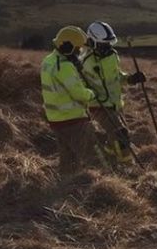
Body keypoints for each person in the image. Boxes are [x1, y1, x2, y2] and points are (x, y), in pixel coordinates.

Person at [80, 21, 145, 166]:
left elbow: (117, 77)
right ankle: (128, 167)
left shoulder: (112, 56)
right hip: (98, 105)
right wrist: (91, 96)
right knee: (120, 134)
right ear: (92, 42)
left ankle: (108, 158)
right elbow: (80, 85)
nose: (107, 48)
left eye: (109, 44)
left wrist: (131, 79)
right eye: (103, 45)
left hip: (115, 103)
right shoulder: (85, 62)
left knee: (116, 135)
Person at [40, 26, 99, 176]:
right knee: (91, 155)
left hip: (56, 119)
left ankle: (65, 186)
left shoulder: (48, 60)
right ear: (68, 47)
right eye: (78, 49)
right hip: (72, 119)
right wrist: (92, 94)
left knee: (68, 158)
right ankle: (92, 185)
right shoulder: (64, 66)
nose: (79, 52)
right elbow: (79, 94)